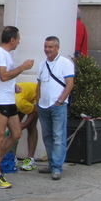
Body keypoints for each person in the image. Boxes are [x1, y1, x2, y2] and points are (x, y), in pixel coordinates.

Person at [0, 26, 34, 189]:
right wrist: (22, 67)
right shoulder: (0, 53)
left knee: (17, 133)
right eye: (18, 39)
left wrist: (13, 86)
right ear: (12, 40)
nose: (19, 42)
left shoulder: (6, 54)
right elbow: (3, 75)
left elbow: (4, 78)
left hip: (8, 98)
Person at [35, 36, 75, 180]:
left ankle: (57, 167)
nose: (47, 49)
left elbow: (70, 84)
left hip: (57, 105)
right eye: (46, 46)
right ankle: (52, 165)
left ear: (57, 47)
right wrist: (37, 101)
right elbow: (39, 84)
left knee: (58, 136)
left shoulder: (65, 63)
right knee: (47, 136)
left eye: (50, 47)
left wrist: (60, 100)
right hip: (44, 105)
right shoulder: (42, 64)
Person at [14, 82, 39, 170]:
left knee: (31, 126)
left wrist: (24, 125)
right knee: (14, 129)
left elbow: (35, 110)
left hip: (35, 95)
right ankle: (12, 157)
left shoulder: (20, 103)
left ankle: (30, 159)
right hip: (22, 96)